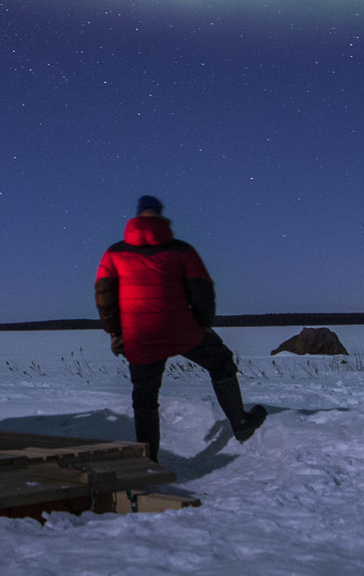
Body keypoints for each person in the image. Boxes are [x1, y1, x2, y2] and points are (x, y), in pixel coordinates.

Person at [94, 195, 267, 462]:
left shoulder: (114, 253)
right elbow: (202, 290)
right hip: (180, 330)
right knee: (220, 361)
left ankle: (148, 459)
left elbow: (104, 295)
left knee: (144, 395)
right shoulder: (182, 250)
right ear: (161, 216)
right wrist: (204, 324)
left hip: (139, 335)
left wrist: (116, 333)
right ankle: (240, 423)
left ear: (137, 217)